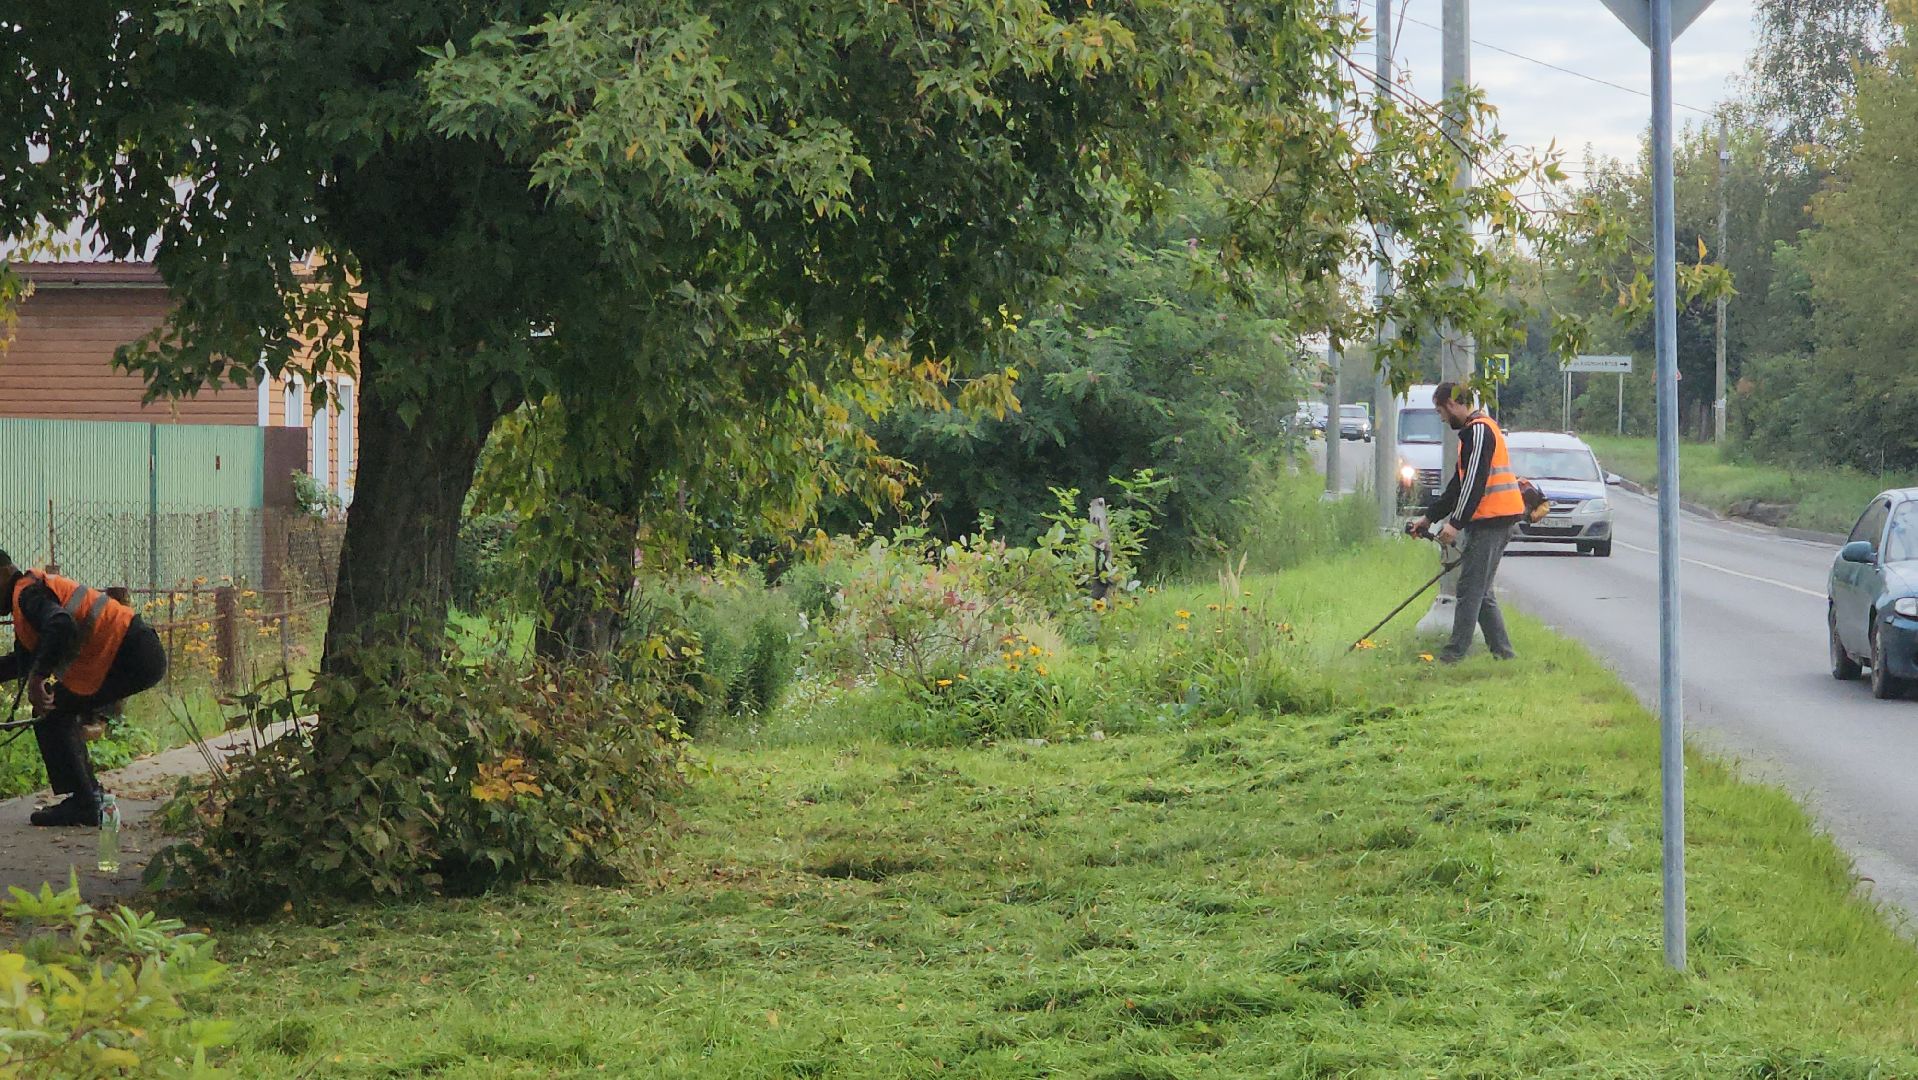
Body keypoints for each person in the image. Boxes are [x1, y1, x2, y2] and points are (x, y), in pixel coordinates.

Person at [0, 553, 167, 825]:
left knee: (53, 710)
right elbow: (23, 660)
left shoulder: (28, 594)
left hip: (133, 653)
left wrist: (37, 678)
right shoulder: (27, 600)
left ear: (5, 573)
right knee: (56, 707)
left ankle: (85, 803)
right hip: (136, 651)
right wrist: (35, 672)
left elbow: (61, 624)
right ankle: (89, 798)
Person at [1410, 383, 1523, 664]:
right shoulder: (1474, 432)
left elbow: (1473, 484)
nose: (1442, 418)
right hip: (1492, 519)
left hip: (1492, 520)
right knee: (1482, 592)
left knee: (1470, 589)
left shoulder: (1479, 430)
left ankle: (1453, 656)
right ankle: (1504, 655)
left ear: (1452, 403)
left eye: (1440, 411)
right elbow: (1457, 485)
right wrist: (1430, 517)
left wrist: (1455, 524)